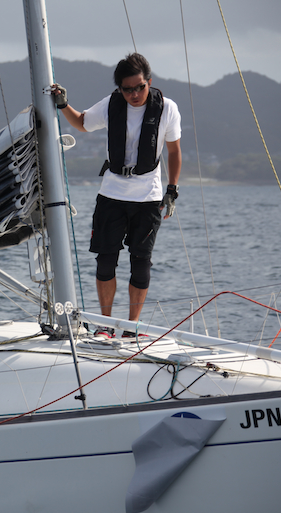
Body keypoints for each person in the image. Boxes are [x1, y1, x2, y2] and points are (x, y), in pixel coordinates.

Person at [52, 53, 182, 338]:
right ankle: (105, 325)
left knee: (141, 263)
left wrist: (172, 190)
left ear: (149, 82)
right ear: (120, 88)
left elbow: (174, 151)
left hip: (148, 198)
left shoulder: (167, 109)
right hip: (112, 195)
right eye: (127, 89)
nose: (134, 94)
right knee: (105, 260)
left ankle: (132, 327)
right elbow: (81, 122)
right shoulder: (111, 105)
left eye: (139, 87)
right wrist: (62, 104)